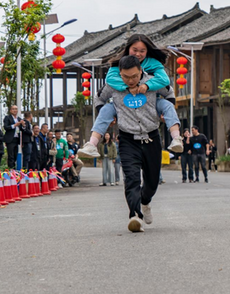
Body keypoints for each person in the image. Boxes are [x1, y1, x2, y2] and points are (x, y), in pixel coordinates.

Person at [95, 55, 176, 233]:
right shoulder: (114, 83)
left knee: (152, 181)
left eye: (134, 76)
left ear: (141, 71)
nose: (130, 81)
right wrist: (105, 114)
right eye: (126, 77)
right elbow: (99, 98)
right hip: (127, 138)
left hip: (151, 137)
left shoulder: (153, 82)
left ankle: (145, 202)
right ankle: (135, 215)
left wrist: (166, 111)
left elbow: (169, 93)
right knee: (131, 178)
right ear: (120, 74)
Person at [78, 34, 183, 159]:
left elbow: (164, 81)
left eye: (142, 51)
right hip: (123, 107)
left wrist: (147, 85)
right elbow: (109, 80)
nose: (138, 54)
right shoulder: (118, 65)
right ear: (128, 49)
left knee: (167, 105)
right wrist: (127, 86)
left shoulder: (153, 64)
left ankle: (176, 138)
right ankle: (92, 144)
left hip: (150, 105)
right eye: (135, 50)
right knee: (106, 109)